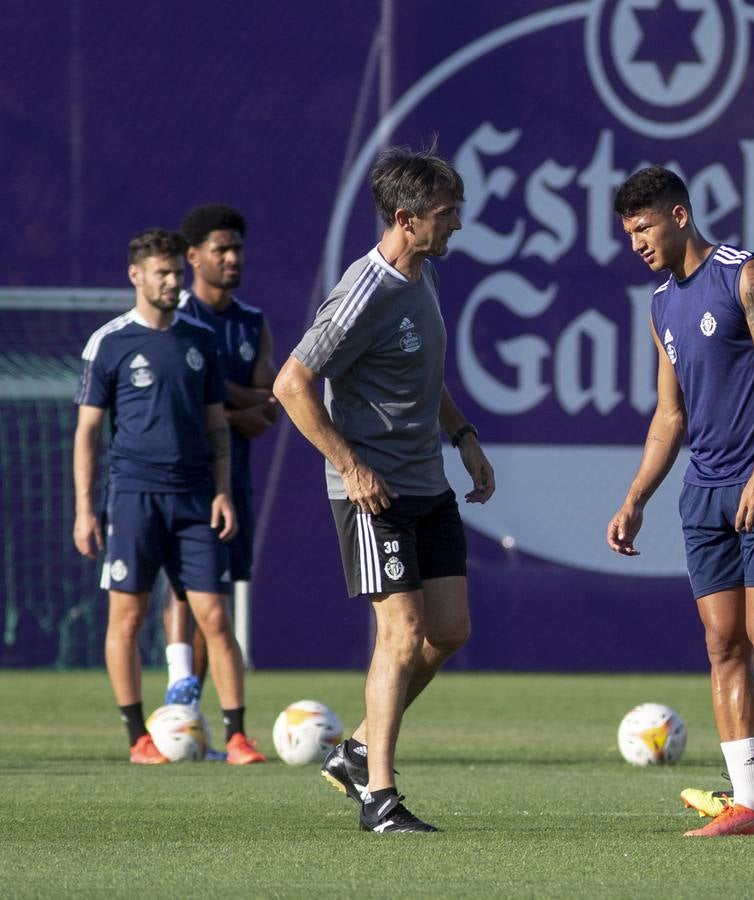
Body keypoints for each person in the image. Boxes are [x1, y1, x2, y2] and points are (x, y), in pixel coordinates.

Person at [273, 144, 494, 834]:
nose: (457, 224)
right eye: (446, 213)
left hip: (426, 482)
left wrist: (462, 436)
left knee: (449, 630)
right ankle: (379, 797)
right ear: (406, 218)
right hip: (373, 494)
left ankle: (357, 749)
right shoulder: (363, 292)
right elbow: (291, 385)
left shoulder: (422, 275)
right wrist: (353, 465)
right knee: (399, 636)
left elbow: (421, 380)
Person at [606, 167, 754, 838]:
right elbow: (669, 416)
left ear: (677, 215)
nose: (636, 243)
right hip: (703, 491)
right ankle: (750, 805)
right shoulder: (660, 303)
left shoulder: (746, 276)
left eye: (642, 228)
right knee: (722, 644)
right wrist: (637, 496)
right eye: (627, 233)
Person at [72, 228, 264, 765]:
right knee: (127, 619)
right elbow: (88, 433)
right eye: (163, 273)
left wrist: (223, 492)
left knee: (216, 618)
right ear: (136, 275)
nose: (173, 282)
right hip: (133, 497)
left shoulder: (199, 341)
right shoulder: (108, 343)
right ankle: (137, 737)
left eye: (178, 272)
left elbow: (218, 428)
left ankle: (237, 737)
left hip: (197, 498)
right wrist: (86, 509)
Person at [160, 204, 279, 715]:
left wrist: (244, 405)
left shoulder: (252, 322)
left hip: (236, 476)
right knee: (189, 590)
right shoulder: (177, 319)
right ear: (193, 256)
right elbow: (191, 394)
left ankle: (192, 715)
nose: (232, 258)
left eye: (237, 249)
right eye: (220, 250)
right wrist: (236, 403)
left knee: (218, 595)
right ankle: (179, 682)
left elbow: (272, 399)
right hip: (186, 476)